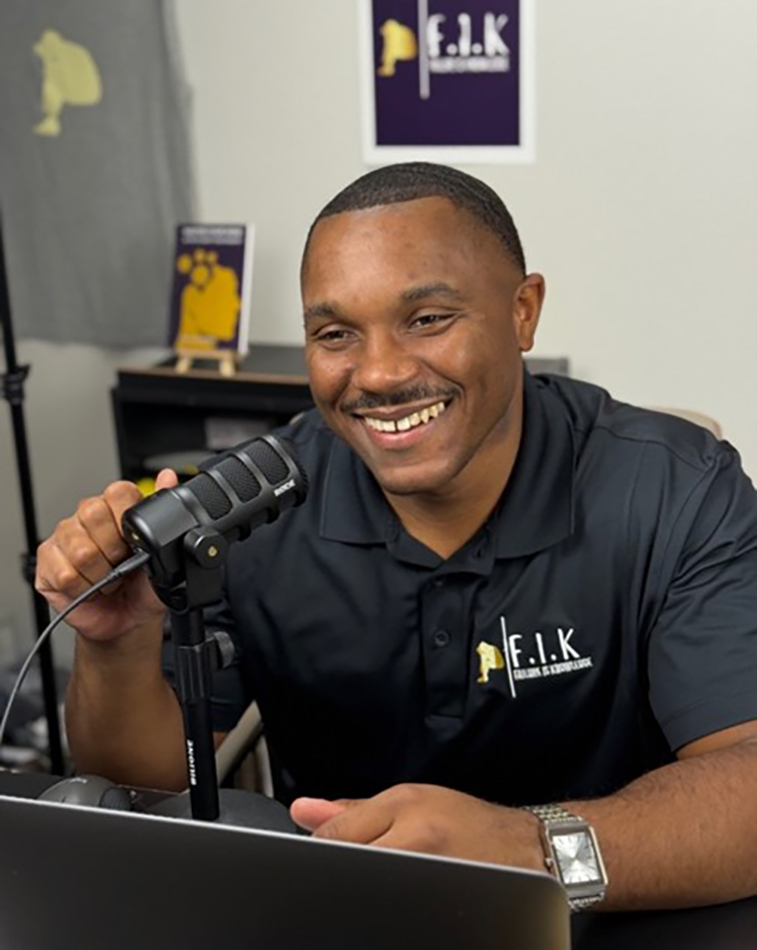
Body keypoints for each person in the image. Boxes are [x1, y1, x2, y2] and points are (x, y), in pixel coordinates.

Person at [37, 163, 757, 912]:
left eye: (428, 319)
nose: (378, 375)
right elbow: (147, 793)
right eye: (335, 334)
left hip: (618, 913)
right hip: (338, 912)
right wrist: (117, 645)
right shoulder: (250, 507)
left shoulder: (676, 488)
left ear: (522, 312)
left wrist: (528, 850)